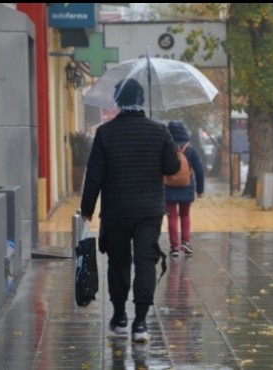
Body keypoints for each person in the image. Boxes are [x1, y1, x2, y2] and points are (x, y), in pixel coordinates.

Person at [80, 78, 181, 342]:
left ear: (118, 101)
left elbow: (94, 175)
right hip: (149, 211)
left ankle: (120, 316)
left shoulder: (105, 133)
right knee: (145, 262)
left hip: (116, 211)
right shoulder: (160, 131)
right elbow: (171, 168)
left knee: (118, 262)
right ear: (142, 100)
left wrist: (87, 208)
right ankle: (140, 323)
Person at [165, 120, 205, 258]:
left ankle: (174, 246)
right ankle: (186, 242)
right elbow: (199, 170)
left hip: (168, 186)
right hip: (187, 186)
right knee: (185, 215)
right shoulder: (190, 149)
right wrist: (200, 189)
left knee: (172, 216)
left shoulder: (166, 148)